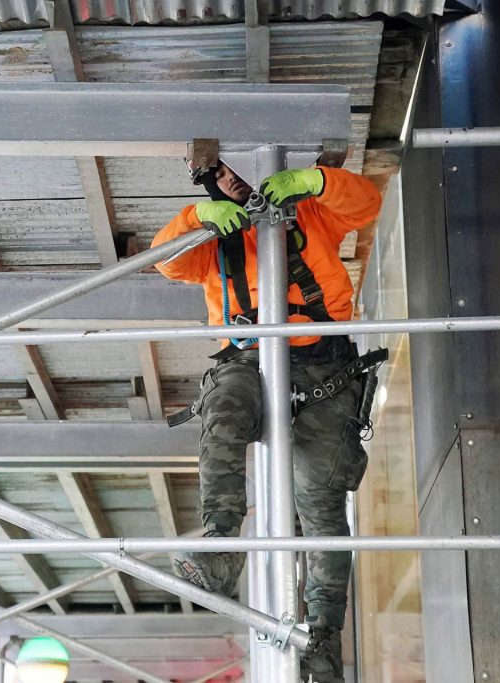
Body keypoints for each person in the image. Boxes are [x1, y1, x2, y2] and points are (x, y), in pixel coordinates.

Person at [152, 160, 382, 683]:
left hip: (326, 369)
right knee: (223, 412)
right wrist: (196, 217)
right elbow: (167, 261)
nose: (235, 183)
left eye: (240, 173)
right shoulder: (213, 240)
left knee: (320, 507)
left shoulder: (311, 214)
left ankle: (322, 642)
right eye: (223, 178)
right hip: (248, 364)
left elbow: (367, 204)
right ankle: (221, 546)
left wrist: (313, 180)